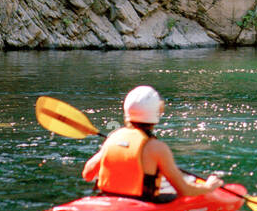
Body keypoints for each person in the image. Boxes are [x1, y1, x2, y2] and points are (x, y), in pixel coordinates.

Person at [81, 85, 223, 201]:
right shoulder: (156, 148)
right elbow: (184, 190)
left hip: (107, 199)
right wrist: (209, 187)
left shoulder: (114, 137)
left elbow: (87, 174)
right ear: (157, 112)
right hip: (141, 204)